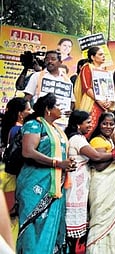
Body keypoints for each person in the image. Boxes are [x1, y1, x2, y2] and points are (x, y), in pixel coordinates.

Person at [16, 93, 76, 253]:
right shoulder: (34, 125)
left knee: (51, 228)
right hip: (35, 184)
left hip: (54, 186)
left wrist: (68, 164)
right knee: (33, 227)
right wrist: (57, 163)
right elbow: (28, 152)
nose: (61, 108)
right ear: (48, 110)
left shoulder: (57, 130)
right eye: (58, 105)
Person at [63, 110, 115, 253]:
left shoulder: (79, 138)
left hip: (80, 185)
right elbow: (96, 157)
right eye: (88, 122)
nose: (91, 125)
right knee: (73, 228)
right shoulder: (78, 139)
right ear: (78, 124)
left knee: (77, 228)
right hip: (76, 186)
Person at [87, 112, 115, 253]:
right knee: (100, 222)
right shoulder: (97, 140)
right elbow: (99, 166)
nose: (108, 126)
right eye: (105, 123)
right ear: (99, 124)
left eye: (111, 124)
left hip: (114, 187)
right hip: (101, 185)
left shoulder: (110, 141)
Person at [0, 98, 32, 244]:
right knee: (12, 215)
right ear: (20, 114)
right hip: (12, 179)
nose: (30, 112)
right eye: (28, 110)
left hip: (6, 176)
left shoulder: (10, 128)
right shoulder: (19, 130)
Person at [23, 50, 76, 128]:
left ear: (60, 62)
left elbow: (72, 101)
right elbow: (27, 97)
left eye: (53, 59)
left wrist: (69, 111)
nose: (50, 61)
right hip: (40, 121)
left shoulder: (67, 80)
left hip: (61, 124)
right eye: (47, 59)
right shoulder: (37, 76)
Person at [74, 46, 115, 139]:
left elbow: (109, 89)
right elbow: (86, 87)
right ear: (92, 57)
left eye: (104, 55)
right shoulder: (87, 67)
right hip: (91, 103)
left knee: (101, 130)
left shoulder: (105, 71)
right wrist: (99, 100)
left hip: (104, 105)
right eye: (100, 54)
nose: (103, 56)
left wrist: (109, 101)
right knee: (88, 128)